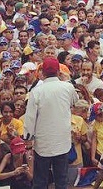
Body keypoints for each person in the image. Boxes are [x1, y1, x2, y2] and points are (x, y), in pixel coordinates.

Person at [23, 57, 79, 189]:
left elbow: (30, 118)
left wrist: (28, 139)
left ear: (42, 71)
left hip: (43, 143)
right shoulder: (68, 87)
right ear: (58, 71)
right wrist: (67, 79)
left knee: (40, 180)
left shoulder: (36, 91)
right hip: (62, 142)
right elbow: (75, 101)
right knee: (61, 180)